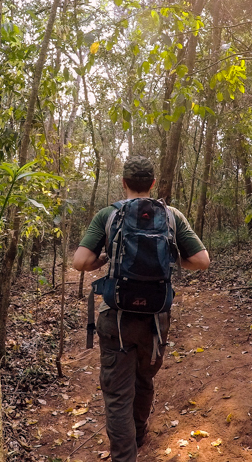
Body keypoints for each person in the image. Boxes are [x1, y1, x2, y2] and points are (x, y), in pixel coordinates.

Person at [73, 156, 210, 462]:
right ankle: (139, 433)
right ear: (152, 184)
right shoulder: (172, 216)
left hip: (117, 318)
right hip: (156, 320)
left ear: (123, 183)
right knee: (144, 380)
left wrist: (105, 260)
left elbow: (80, 262)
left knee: (118, 395)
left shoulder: (108, 215)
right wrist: (175, 259)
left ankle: (125, 456)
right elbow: (202, 261)